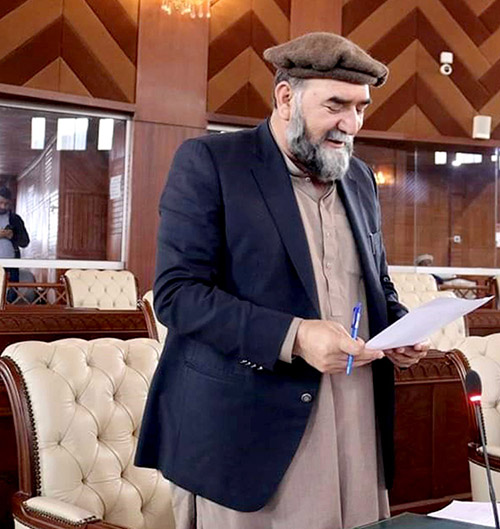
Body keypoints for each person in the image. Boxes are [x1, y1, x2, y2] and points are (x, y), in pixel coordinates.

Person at [135, 32, 429, 529]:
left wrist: (399, 328)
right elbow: (177, 296)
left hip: (356, 417)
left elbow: (374, 281)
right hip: (245, 424)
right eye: (336, 105)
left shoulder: (357, 177)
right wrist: (295, 336)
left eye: (361, 108)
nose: (350, 124)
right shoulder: (211, 163)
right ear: (286, 97)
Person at [0, 186, 30, 288]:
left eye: (6, 204)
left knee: (11, 295)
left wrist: (12, 236)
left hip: (10, 265)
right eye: (1, 203)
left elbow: (25, 242)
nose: (3, 207)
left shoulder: (15, 219)